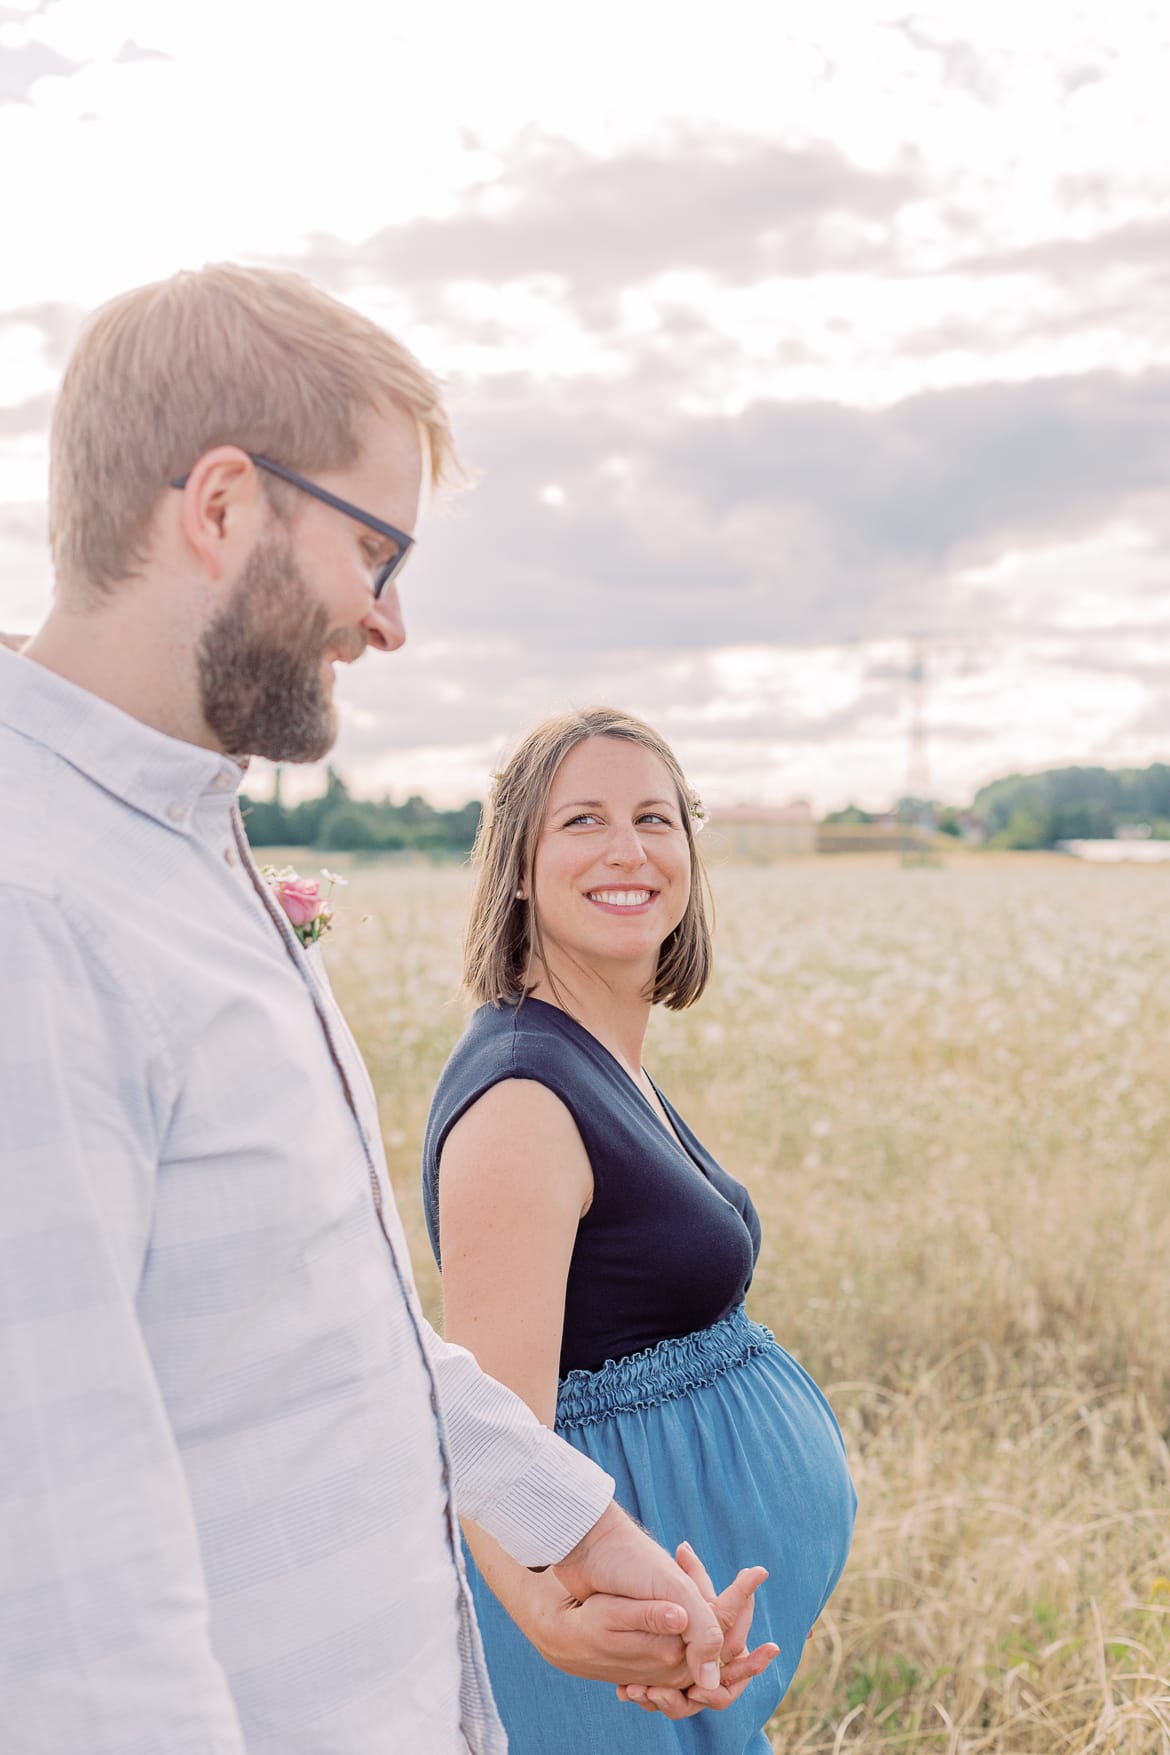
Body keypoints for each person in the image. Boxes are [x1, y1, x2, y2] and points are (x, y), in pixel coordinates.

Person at [0, 266, 768, 1754]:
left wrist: (562, 1507)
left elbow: (310, 1308)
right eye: (372, 547)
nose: (390, 619)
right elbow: (59, 1548)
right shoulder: (38, 906)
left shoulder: (178, 841)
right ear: (221, 506)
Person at [422, 707, 858, 1751]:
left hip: (680, 1650)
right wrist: (579, 1623)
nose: (630, 850)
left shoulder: (596, 1054)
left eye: (656, 818)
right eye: (583, 821)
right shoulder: (521, 1103)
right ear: (519, 867)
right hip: (609, 1678)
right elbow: (492, 1439)